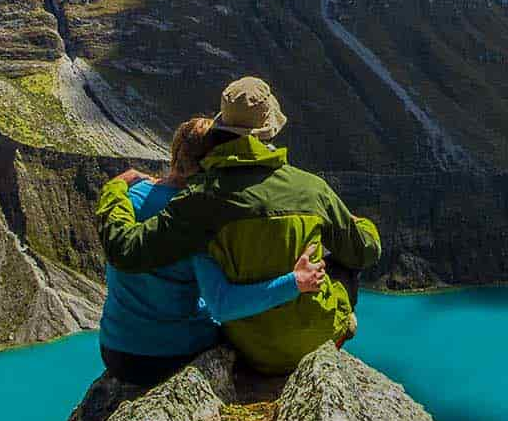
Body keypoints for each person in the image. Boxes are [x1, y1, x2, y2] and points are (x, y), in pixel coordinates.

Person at [97, 77, 381, 375]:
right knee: (345, 261)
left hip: (245, 343)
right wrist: (360, 226)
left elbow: (127, 251)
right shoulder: (313, 188)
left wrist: (115, 188)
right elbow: (366, 251)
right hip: (307, 331)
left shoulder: (200, 199)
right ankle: (337, 329)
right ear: (270, 129)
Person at [99, 116, 327, 386]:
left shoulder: (132, 193)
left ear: (175, 153)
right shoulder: (199, 214)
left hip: (115, 352)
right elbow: (222, 304)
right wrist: (294, 282)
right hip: (170, 356)